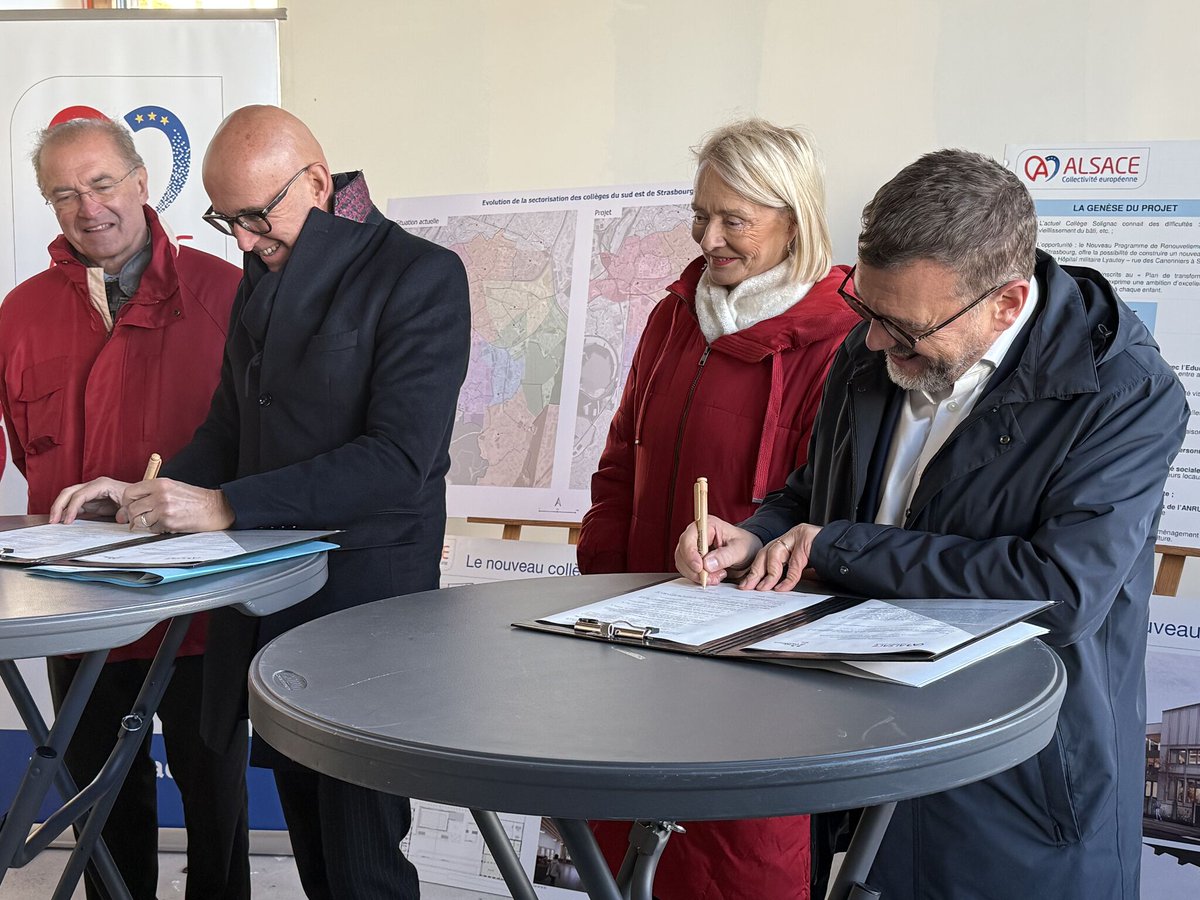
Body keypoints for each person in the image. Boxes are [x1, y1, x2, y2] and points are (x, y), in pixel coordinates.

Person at [676, 149, 1188, 899]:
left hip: (1017, 790)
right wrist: (758, 532)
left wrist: (838, 547)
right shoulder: (875, 342)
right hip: (859, 750)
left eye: (903, 326)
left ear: (1008, 303)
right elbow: (819, 491)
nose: (874, 343)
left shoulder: (1125, 393)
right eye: (866, 310)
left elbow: (1060, 592)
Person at [51, 105, 472, 899]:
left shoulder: (421, 274)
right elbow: (229, 427)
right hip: (273, 608)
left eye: (254, 217)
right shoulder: (269, 269)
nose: (242, 241)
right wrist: (145, 492)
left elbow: (399, 462)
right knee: (313, 849)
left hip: (365, 614)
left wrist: (226, 506)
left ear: (315, 181)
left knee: (364, 865)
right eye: (227, 221)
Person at [578, 119, 859, 899]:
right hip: (637, 634)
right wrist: (605, 585)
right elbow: (620, 460)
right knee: (624, 851)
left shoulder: (843, 339)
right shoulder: (675, 316)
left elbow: (830, 510)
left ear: (794, 219)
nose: (709, 238)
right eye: (701, 215)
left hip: (756, 661)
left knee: (739, 857)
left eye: (735, 219)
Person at [0, 116, 245, 899]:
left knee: (217, 810)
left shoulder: (229, 295)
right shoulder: (20, 313)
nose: (88, 208)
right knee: (101, 817)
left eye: (102, 183)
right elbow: (16, 445)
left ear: (142, 181)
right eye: (63, 194)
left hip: (203, 608)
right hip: (73, 610)